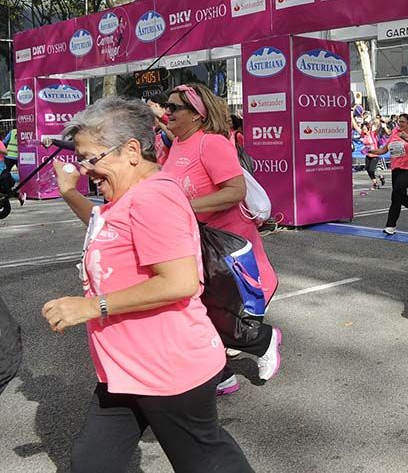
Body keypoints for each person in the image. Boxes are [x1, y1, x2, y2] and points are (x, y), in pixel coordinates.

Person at [45, 96, 252, 471]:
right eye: (82, 159)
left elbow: (180, 282)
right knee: (91, 464)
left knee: (206, 461)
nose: (86, 169)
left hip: (168, 370)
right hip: (125, 369)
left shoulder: (153, 198)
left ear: (132, 151)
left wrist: (91, 306)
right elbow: (102, 225)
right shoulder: (125, 196)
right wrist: (68, 192)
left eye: (92, 158)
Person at [162, 83, 281, 396]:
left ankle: (264, 341)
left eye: (175, 107)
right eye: (167, 106)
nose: (167, 112)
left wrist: (184, 207)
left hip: (228, 244)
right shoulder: (177, 144)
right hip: (195, 243)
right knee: (193, 311)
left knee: (223, 313)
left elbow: (235, 191)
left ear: (198, 115)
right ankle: (222, 375)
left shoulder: (211, 144)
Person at [369, 113, 408, 235]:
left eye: (403, 122)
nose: (399, 124)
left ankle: (391, 225)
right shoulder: (394, 132)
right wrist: (373, 151)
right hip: (396, 169)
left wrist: (406, 138)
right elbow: (384, 149)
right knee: (401, 196)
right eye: (399, 121)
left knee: (396, 194)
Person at [360, 122, 385, 190]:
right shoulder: (363, 135)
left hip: (375, 155)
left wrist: (380, 122)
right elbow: (356, 126)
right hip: (368, 155)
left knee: (371, 170)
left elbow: (379, 129)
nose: (363, 129)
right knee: (368, 170)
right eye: (362, 128)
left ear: (368, 128)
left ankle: (380, 176)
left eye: (365, 128)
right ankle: (375, 184)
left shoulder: (373, 134)